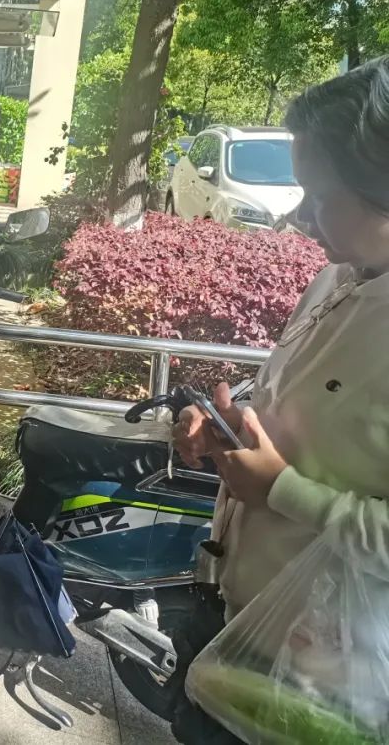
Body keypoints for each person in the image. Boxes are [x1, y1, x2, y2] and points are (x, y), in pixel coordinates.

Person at [172, 57, 389, 742]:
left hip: (329, 683)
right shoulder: (338, 277)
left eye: (318, 198)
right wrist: (230, 423)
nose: (298, 219)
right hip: (236, 618)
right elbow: (298, 400)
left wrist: (282, 490)